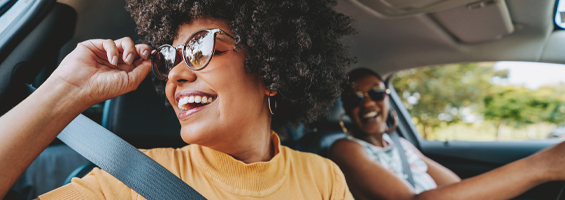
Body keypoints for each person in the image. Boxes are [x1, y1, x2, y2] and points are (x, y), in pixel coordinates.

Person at [0, 0, 356, 199]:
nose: (175, 74)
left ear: (271, 67)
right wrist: (65, 89)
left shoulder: (323, 178)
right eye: (168, 58)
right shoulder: (129, 181)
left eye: (200, 48)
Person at [331, 68, 565, 200]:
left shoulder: (401, 145)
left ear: (388, 97)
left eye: (376, 93)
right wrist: (541, 166)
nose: (368, 103)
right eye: (355, 99)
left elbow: (455, 185)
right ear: (347, 111)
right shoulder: (345, 149)